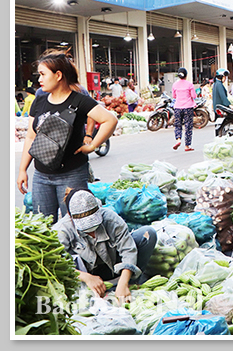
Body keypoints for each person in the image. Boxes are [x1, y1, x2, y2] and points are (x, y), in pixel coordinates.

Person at [17, 49, 117, 224]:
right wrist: (22, 169)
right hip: (41, 175)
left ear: (58, 75)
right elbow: (31, 138)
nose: (38, 79)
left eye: (42, 74)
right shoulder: (39, 101)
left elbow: (110, 120)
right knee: (43, 225)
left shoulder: (79, 100)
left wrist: (92, 145)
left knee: (75, 225)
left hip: (72, 175)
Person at [53, 188, 157, 302]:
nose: (91, 231)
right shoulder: (62, 230)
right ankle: (99, 287)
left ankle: (129, 281)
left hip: (113, 265)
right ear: (69, 215)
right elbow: (56, 262)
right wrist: (85, 277)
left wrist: (123, 283)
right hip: (87, 272)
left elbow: (128, 250)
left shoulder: (111, 219)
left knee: (148, 234)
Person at [172, 67, 197, 152]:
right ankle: (187, 145)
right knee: (188, 126)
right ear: (186, 75)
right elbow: (194, 96)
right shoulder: (189, 84)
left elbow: (174, 96)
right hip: (188, 107)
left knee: (178, 125)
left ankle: (178, 139)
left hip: (177, 107)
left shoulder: (175, 85)